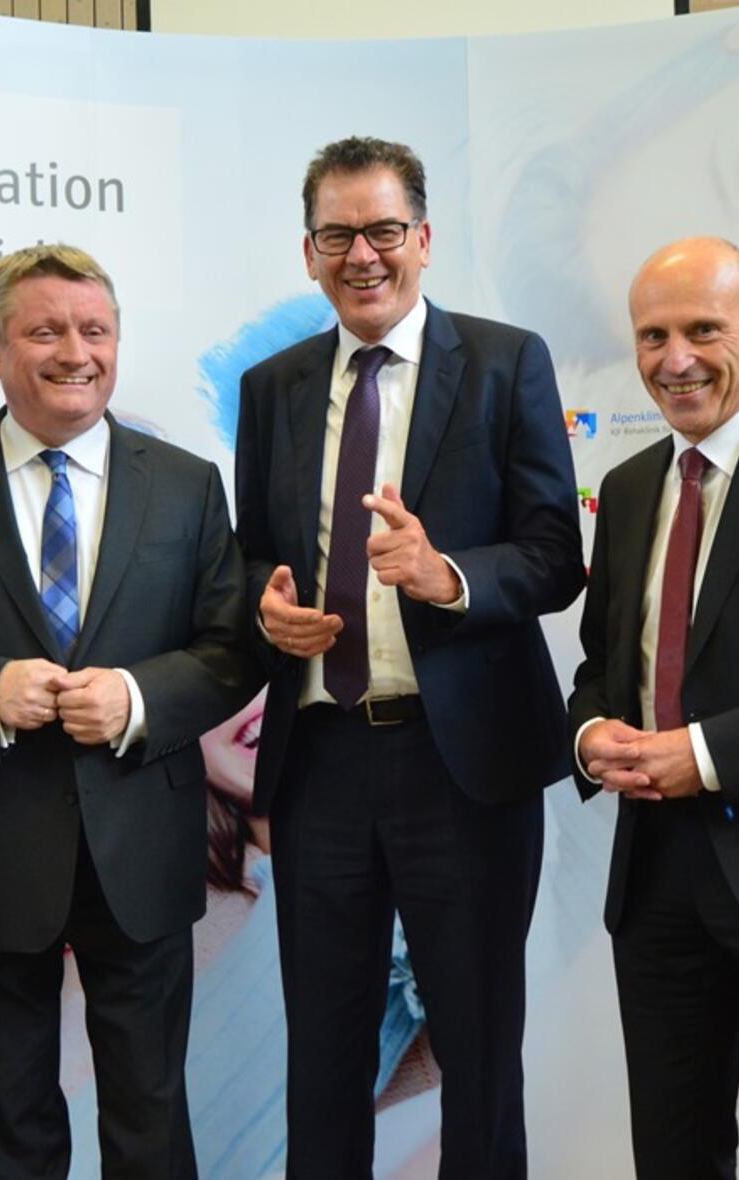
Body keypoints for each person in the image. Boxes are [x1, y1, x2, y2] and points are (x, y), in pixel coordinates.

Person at [234, 136, 585, 1179]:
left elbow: (554, 553)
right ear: (308, 253)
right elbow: (256, 554)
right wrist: (267, 609)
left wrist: (449, 578)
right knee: (326, 1056)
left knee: (476, 1049)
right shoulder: (272, 388)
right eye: (336, 235)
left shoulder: (506, 359)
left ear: (423, 239)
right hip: (322, 761)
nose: (362, 255)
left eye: (383, 231)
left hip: (463, 764)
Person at [0, 243, 257, 1180]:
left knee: (150, 1119)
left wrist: (133, 696)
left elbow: (231, 650)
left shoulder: (188, 483)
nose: (74, 352)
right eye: (44, 330)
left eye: (94, 330)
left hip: (142, 846)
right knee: (6, 1127)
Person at [570, 236, 739, 1180]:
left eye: (704, 330)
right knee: (674, 1154)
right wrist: (592, 736)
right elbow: (601, 667)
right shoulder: (633, 487)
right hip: (658, 884)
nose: (675, 360)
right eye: (652, 335)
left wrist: (704, 753)